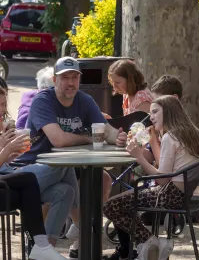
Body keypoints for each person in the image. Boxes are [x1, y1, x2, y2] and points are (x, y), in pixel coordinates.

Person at [17, 57, 127, 256]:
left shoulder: (84, 100)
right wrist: (88, 138)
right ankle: (83, 228)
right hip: (31, 170)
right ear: (54, 80)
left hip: (64, 169)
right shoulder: (43, 100)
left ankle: (44, 250)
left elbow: (106, 130)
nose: (70, 82)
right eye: (65, 77)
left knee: (69, 190)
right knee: (66, 165)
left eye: (74, 77)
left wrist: (117, 137)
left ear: (79, 79)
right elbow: (58, 140)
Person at [103, 95, 199, 260]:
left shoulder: (171, 137)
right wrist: (153, 141)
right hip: (185, 193)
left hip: (169, 195)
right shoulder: (190, 133)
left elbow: (162, 179)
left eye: (155, 112)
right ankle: (136, 249)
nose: (150, 116)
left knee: (111, 206)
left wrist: (139, 157)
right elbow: (164, 166)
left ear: (168, 113)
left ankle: (148, 242)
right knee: (123, 203)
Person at [0, 80, 71, 260]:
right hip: (3, 188)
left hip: (6, 181)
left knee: (64, 191)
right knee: (29, 178)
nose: (3, 109)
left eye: (4, 104)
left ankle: (44, 249)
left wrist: (10, 154)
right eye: (0, 104)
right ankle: (41, 247)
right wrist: (5, 150)